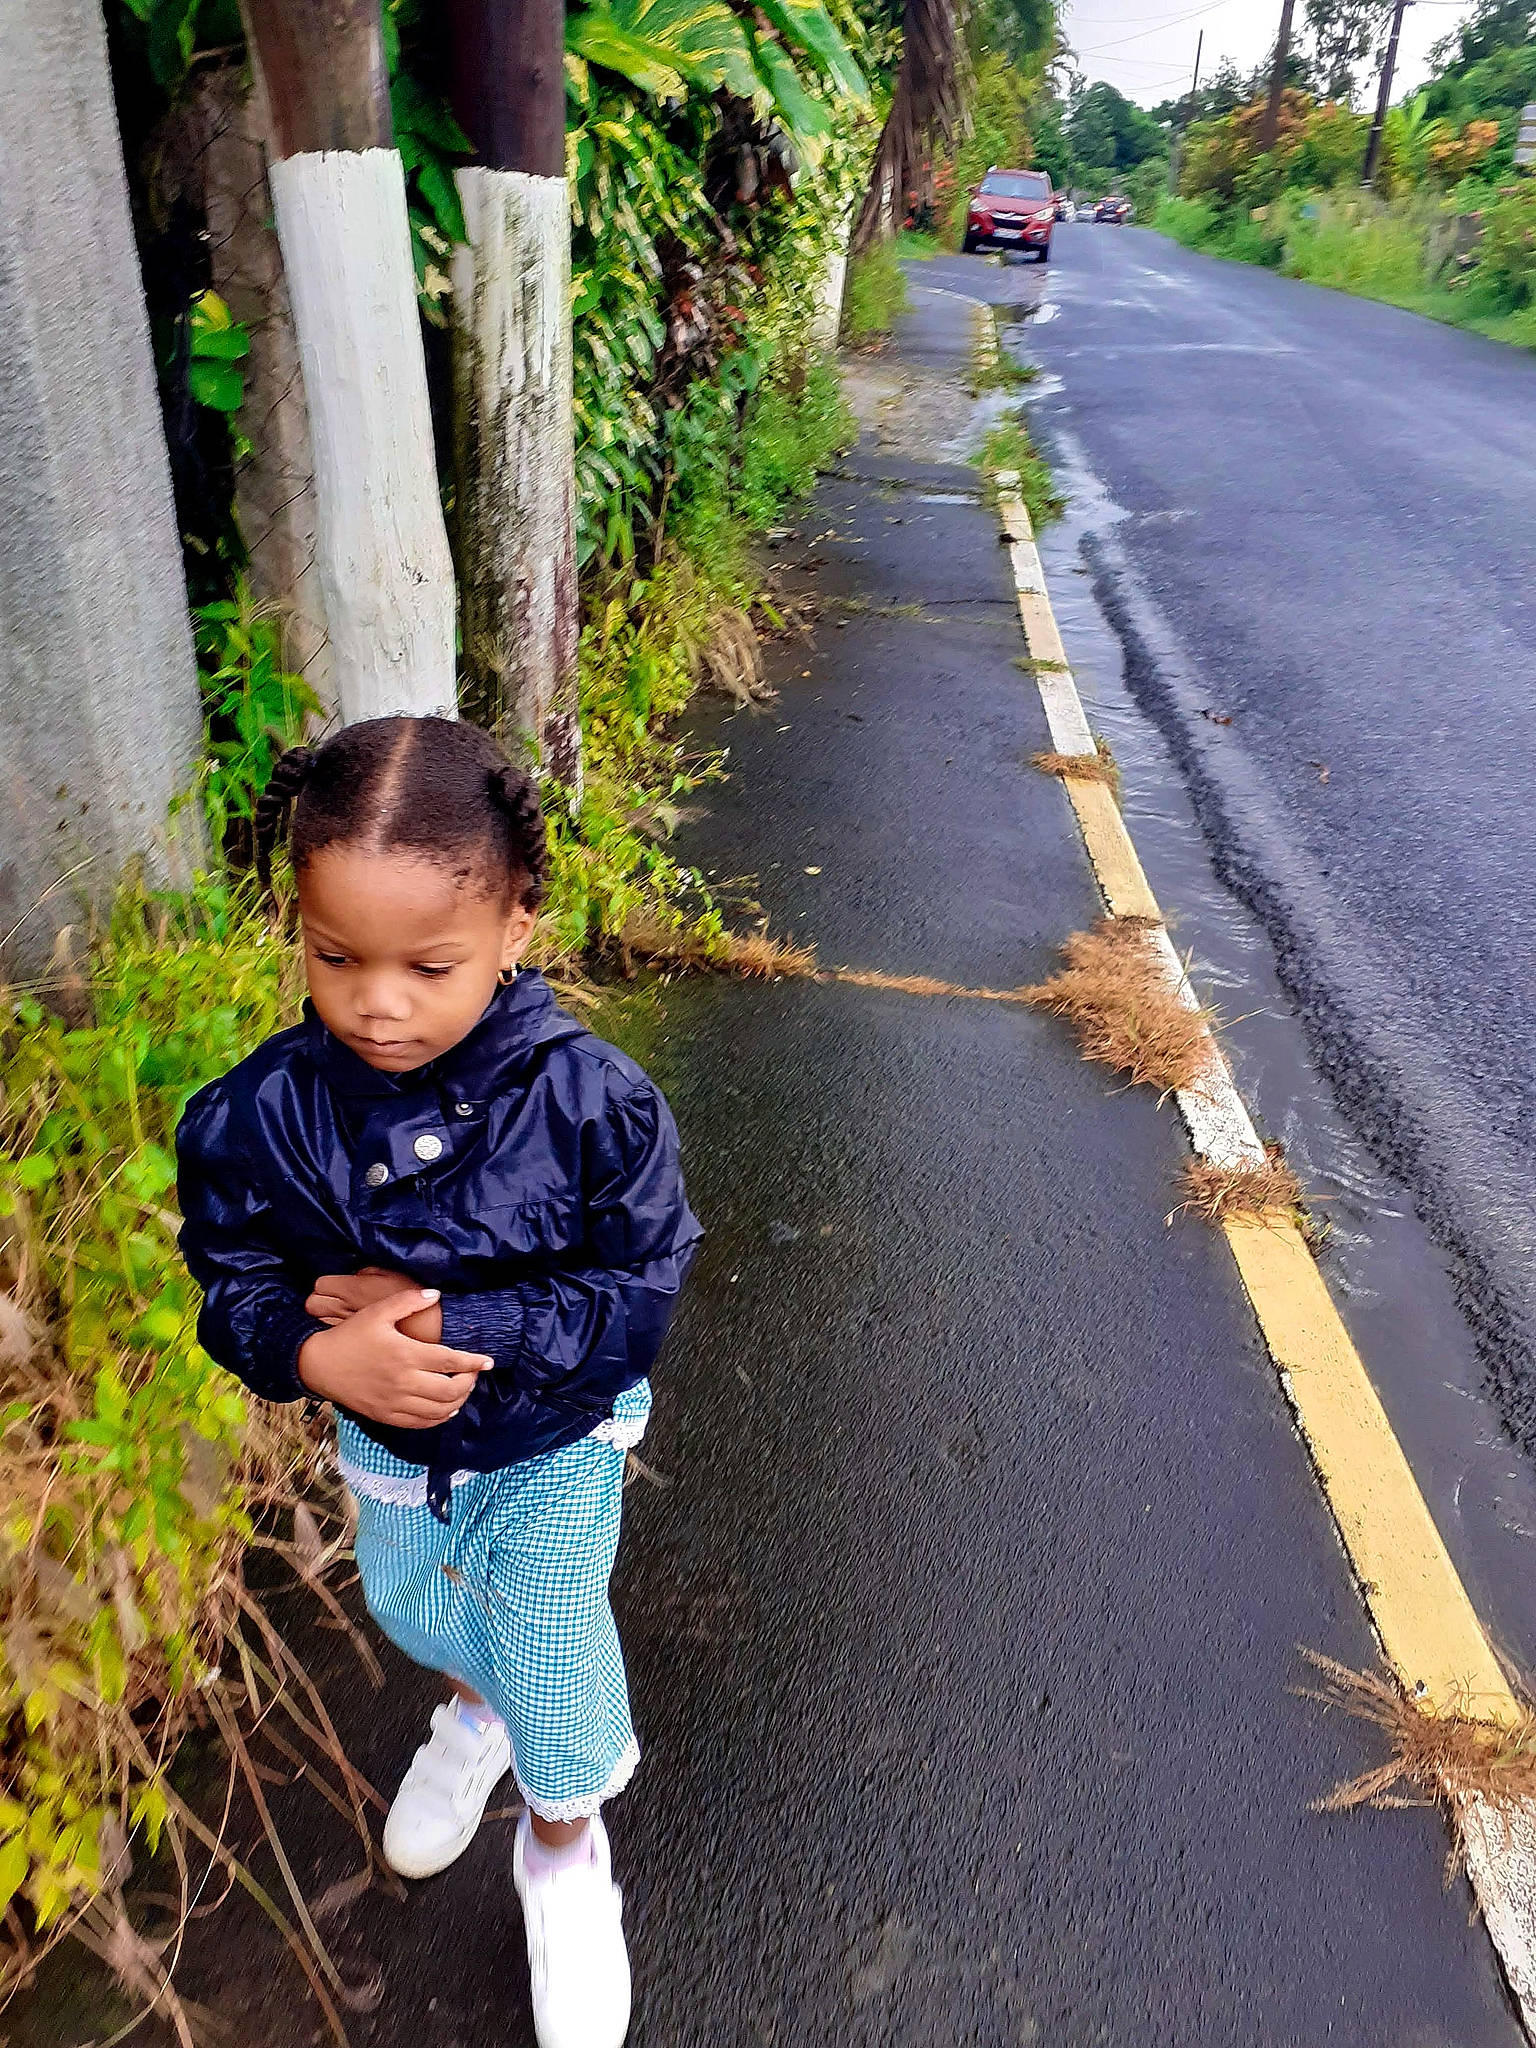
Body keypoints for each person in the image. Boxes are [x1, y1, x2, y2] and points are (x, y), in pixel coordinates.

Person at [175, 715, 700, 2048]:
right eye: (335, 955)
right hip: (390, 1443)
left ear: (518, 921)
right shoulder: (264, 1111)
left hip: (552, 1427)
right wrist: (310, 1348)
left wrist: (450, 1319)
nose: (379, 1002)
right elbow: (228, 1270)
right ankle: (473, 1717)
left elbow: (634, 1297)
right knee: (416, 1603)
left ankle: (564, 1845)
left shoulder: (593, 1103)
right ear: (297, 925)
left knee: (544, 1620)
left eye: (430, 963)